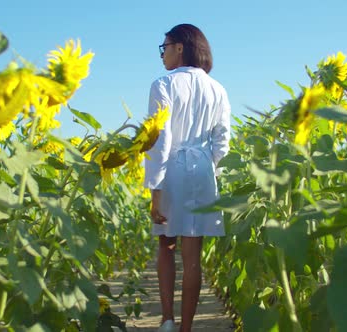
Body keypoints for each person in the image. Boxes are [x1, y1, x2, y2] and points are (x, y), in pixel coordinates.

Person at [144, 23, 231, 332]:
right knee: (192, 256)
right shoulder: (218, 88)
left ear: (180, 47)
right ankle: (186, 329)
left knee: (166, 245)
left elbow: (161, 138)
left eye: (164, 47)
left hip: (171, 169)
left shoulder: (163, 85)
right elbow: (222, 143)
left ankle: (167, 319)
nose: (162, 55)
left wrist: (155, 187)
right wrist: (209, 167)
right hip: (203, 170)